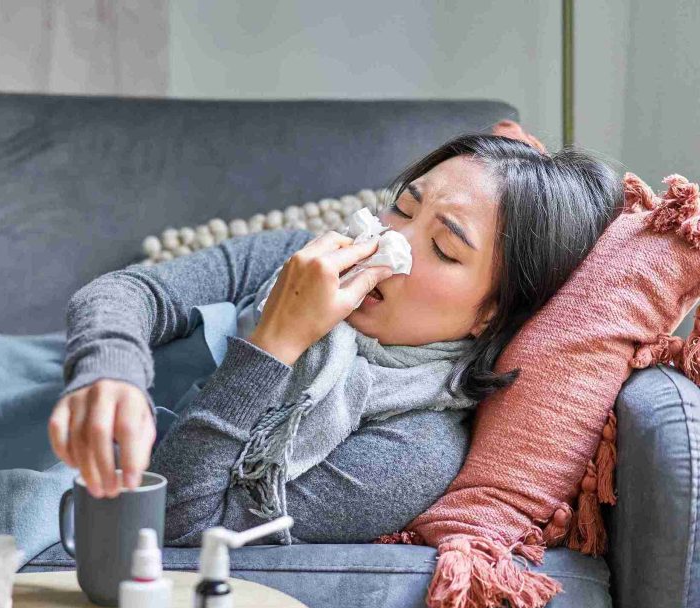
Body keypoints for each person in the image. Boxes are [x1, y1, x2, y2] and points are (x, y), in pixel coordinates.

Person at [48, 133, 624, 545]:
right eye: (403, 208)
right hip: (37, 391)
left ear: (490, 314)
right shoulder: (293, 256)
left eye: (444, 249)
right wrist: (109, 370)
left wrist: (276, 342)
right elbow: (131, 291)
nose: (388, 246)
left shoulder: (412, 451)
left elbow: (181, 525)